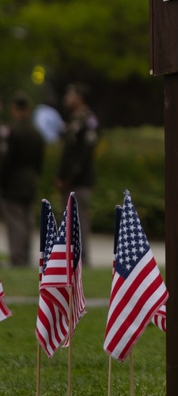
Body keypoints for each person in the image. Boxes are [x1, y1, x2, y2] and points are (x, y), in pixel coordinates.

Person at [56, 83, 100, 265]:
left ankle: (82, 259)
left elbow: (83, 155)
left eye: (70, 95)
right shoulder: (73, 120)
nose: (67, 99)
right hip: (70, 182)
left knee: (79, 220)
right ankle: (71, 257)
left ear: (79, 98)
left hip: (79, 182)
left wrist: (68, 178)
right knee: (68, 221)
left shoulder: (88, 120)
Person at [0, 93, 45, 267]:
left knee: (15, 221)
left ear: (14, 109)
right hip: (31, 178)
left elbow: (6, 159)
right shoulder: (36, 133)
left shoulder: (13, 131)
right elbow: (40, 160)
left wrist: (2, 181)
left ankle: (18, 257)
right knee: (27, 220)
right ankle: (25, 255)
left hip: (14, 181)